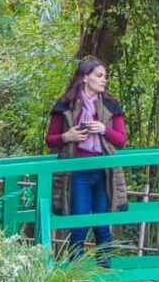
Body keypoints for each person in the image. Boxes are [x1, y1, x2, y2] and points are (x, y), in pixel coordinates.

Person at [45, 59, 128, 262]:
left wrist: (103, 129)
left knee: (102, 225)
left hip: (103, 171)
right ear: (85, 77)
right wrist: (68, 136)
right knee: (79, 225)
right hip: (76, 171)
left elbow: (122, 140)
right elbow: (50, 140)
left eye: (105, 76)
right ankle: (76, 277)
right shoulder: (65, 105)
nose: (103, 80)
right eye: (99, 76)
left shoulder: (110, 104)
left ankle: (106, 276)